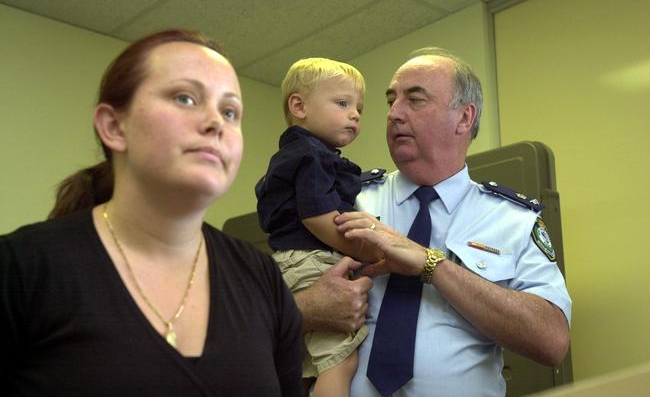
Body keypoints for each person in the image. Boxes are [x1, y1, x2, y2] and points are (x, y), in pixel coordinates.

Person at [0, 29, 303, 396]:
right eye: (185, 98)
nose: (216, 123)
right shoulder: (20, 268)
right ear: (114, 126)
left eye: (230, 111)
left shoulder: (263, 280)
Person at [297, 47, 572, 396]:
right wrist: (307, 310)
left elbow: (552, 341)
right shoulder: (340, 201)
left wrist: (432, 265)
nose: (394, 114)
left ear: (464, 118)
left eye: (415, 100)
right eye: (390, 101)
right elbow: (257, 313)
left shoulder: (512, 220)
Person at [255, 57, 382, 397]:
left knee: (302, 368)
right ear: (298, 106)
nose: (354, 114)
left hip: (287, 264)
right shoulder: (313, 155)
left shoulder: (288, 155)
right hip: (311, 262)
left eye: (358, 108)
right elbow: (316, 215)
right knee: (340, 362)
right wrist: (366, 249)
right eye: (342, 104)